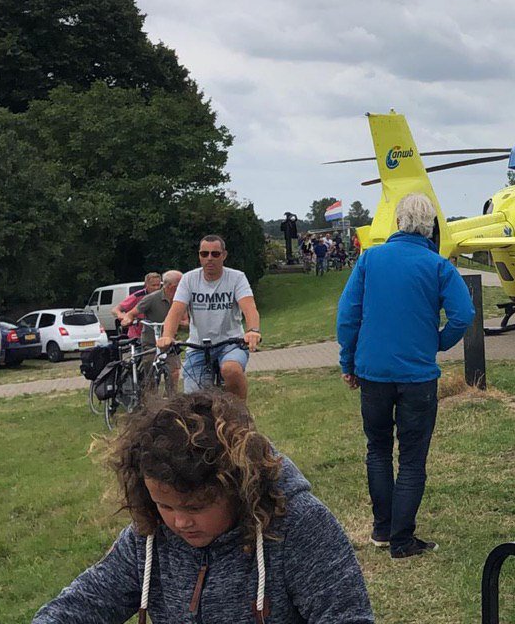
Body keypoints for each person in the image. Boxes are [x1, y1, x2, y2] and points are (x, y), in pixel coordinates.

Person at [32, 391, 375, 623]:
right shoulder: (149, 534)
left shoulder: (300, 524)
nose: (180, 522)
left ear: (239, 488)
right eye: (164, 505)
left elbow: (347, 616)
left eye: (196, 507)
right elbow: (85, 602)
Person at [336, 193, 475, 559]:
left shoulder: (369, 259)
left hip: (373, 371)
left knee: (378, 449)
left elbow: (347, 316)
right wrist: (438, 342)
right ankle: (402, 539)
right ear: (430, 227)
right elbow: (464, 314)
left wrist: (348, 362)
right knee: (412, 458)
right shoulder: (439, 266)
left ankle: (382, 529)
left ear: (398, 222)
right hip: (417, 375)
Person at [157, 235, 262, 400]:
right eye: (204, 254)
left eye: (215, 254)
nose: (209, 258)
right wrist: (167, 336)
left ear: (224, 255)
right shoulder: (189, 279)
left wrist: (253, 330)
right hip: (198, 345)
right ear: (199, 256)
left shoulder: (236, 278)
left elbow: (249, 308)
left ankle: (239, 411)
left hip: (230, 343)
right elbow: (175, 311)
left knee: (231, 369)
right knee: (194, 400)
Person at [120, 270, 186, 393]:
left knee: (174, 372)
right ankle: (150, 399)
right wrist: (127, 320)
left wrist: (176, 322)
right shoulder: (151, 298)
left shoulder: (181, 300)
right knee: (151, 375)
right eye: (181, 284)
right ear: (172, 286)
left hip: (170, 343)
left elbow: (186, 321)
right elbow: (132, 313)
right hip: (151, 343)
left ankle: (172, 398)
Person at [111, 273, 161, 341]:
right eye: (153, 285)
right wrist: (121, 315)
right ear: (146, 285)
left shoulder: (162, 295)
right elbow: (115, 309)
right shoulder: (137, 296)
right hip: (137, 335)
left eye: (158, 285)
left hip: (157, 334)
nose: (156, 288)